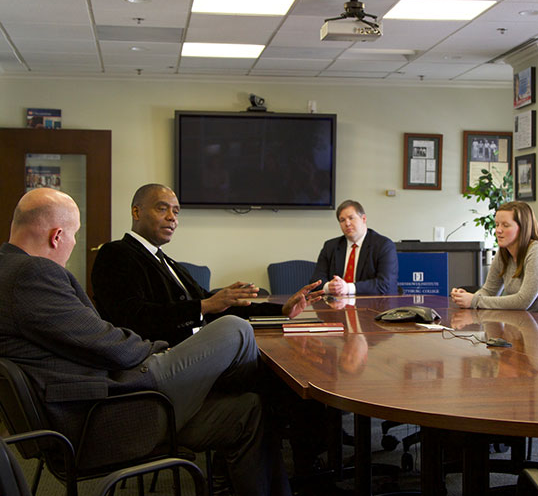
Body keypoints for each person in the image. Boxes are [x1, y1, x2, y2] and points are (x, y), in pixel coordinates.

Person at [0, 188, 323, 496]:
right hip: (107, 413)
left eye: (177, 211)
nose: (73, 243)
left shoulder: (12, 269)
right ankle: (303, 411)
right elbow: (105, 339)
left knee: (248, 409)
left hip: (111, 399)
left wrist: (279, 310)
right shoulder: (32, 274)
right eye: (73, 235)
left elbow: (208, 301)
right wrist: (163, 352)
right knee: (234, 331)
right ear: (57, 236)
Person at [92, 183, 320, 346]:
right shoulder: (116, 253)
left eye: (176, 211)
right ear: (136, 211)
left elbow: (215, 306)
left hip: (194, 347)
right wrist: (203, 306)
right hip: (160, 357)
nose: (172, 217)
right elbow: (133, 318)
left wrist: (281, 310)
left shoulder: (168, 262)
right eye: (162, 209)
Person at [450, 201, 538, 312]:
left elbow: (522, 302)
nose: (498, 230)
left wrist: (474, 301)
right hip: (524, 324)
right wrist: (466, 298)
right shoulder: (504, 252)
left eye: (505, 225)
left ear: (523, 228)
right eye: (497, 225)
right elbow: (489, 291)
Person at [310, 199, 398, 296]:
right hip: (337, 305)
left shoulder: (383, 245)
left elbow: (385, 284)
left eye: (351, 218)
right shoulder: (330, 246)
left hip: (372, 305)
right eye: (342, 220)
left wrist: (347, 288)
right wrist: (329, 287)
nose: (347, 224)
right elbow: (315, 281)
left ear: (363, 219)